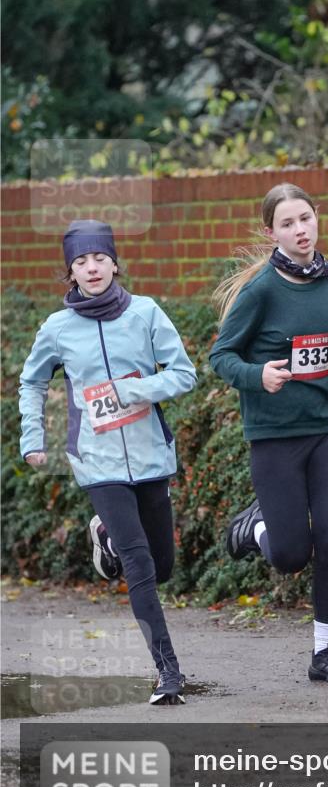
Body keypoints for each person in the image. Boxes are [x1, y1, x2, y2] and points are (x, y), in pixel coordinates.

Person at [209, 183, 328, 683]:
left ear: (316, 218)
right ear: (272, 233)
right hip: (275, 436)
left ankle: (325, 653)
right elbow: (221, 356)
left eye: (305, 218)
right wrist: (257, 375)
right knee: (289, 556)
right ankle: (253, 528)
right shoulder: (262, 291)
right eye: (288, 224)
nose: (300, 230)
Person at [18, 219, 197, 705]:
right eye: (80, 261)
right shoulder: (57, 328)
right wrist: (33, 436)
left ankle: (106, 535)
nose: (91, 267)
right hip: (97, 462)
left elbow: (184, 374)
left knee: (161, 566)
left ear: (115, 264)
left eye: (100, 258)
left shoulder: (146, 313)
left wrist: (136, 390)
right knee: (138, 564)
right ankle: (168, 671)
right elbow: (32, 382)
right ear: (71, 272)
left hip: (150, 454)